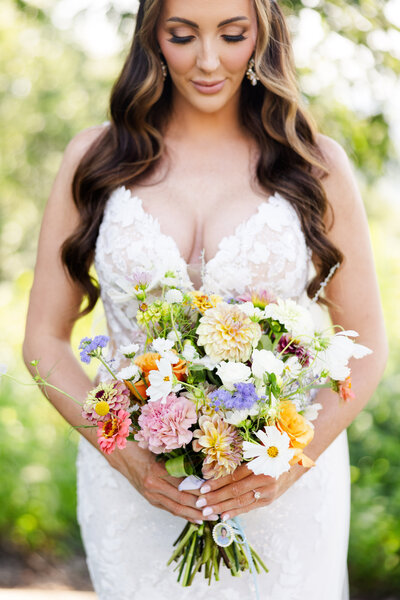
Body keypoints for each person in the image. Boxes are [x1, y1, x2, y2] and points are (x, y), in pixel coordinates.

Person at [22, 0, 388, 598]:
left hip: (280, 492)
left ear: (262, 37)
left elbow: (367, 345)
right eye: (184, 35)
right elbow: (42, 340)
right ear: (153, 39)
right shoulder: (95, 161)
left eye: (233, 34)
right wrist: (128, 458)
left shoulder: (315, 166)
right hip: (135, 491)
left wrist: (287, 463)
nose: (209, 60)